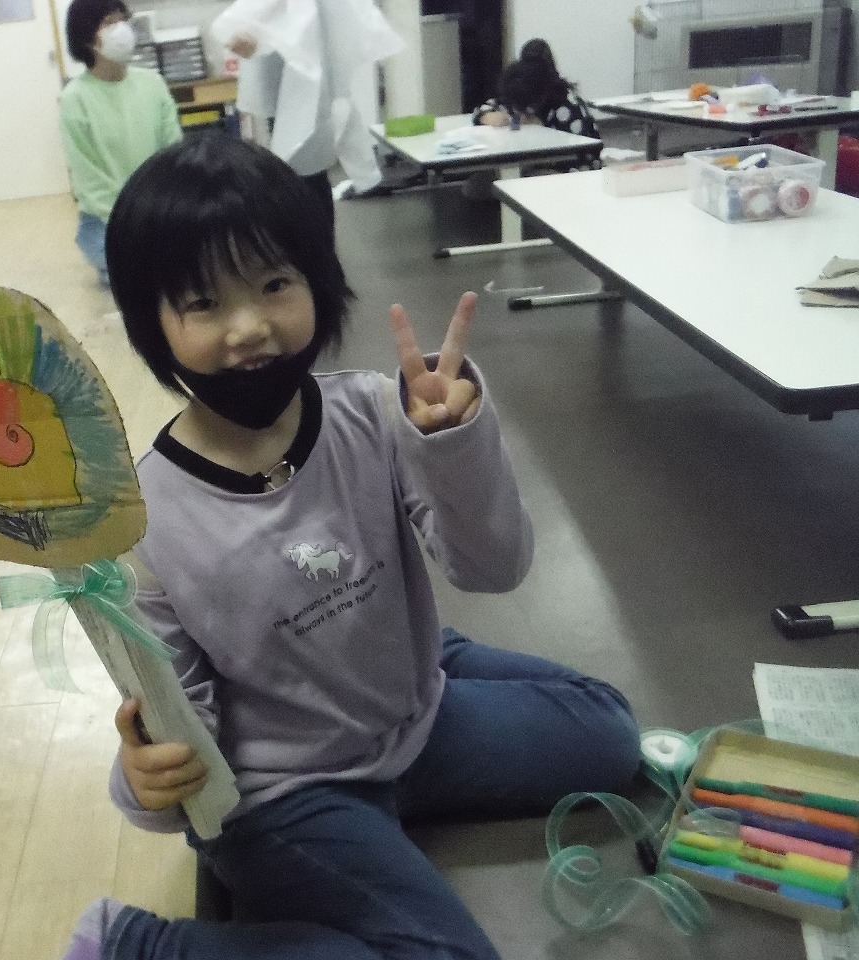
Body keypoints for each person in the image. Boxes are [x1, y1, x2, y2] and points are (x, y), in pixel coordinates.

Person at [58, 133, 641, 960]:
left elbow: (493, 568)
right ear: (152, 324)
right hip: (283, 792)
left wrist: (452, 443)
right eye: (204, 303)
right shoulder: (144, 521)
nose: (249, 327)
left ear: (317, 280)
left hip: (410, 722)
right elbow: (179, 729)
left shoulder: (371, 411)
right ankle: (137, 946)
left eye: (274, 284)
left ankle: (413, 651)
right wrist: (143, 777)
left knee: (612, 736)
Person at [210, 0, 403, 223]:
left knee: (304, 164)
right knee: (297, 165)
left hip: (305, 62)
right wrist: (249, 28)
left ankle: (313, 240)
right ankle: (311, 238)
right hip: (283, 63)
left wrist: (250, 29)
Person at [59, 0, 182, 287]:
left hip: (158, 209)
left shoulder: (153, 83)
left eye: (122, 19)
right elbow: (89, 178)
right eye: (108, 23)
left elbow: (173, 152)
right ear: (86, 37)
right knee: (131, 273)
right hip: (105, 219)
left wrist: (160, 209)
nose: (121, 29)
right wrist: (132, 220)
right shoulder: (75, 98)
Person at [472, 39, 598, 139]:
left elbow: (581, 145)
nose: (525, 112)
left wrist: (540, 126)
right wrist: (486, 116)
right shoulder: (517, 89)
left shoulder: (565, 103)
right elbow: (485, 108)